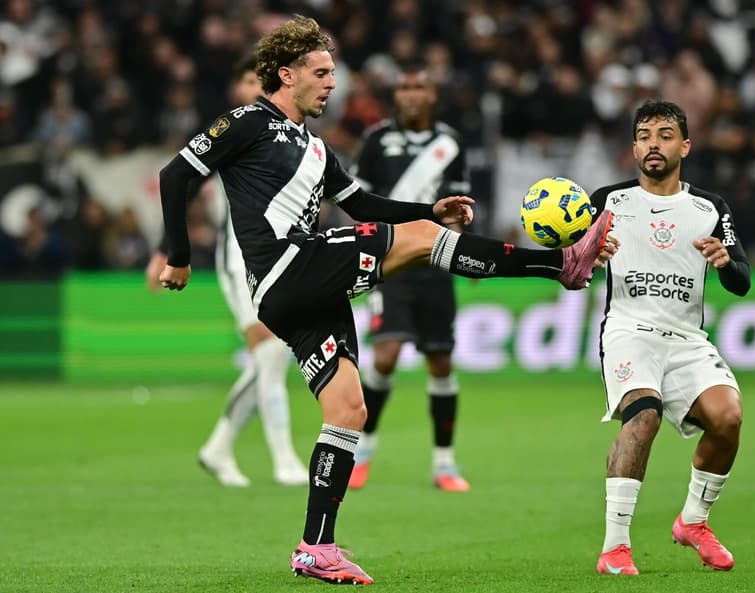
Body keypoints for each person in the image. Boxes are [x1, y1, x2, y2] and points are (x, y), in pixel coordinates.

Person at [157, 16, 618, 585]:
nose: (333, 84)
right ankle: (560, 264)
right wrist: (179, 256)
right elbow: (175, 174)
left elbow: (365, 206)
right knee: (425, 250)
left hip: (302, 292)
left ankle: (315, 547)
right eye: (322, 73)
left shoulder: (318, 151)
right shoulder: (250, 120)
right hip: (286, 269)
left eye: (334, 74)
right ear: (286, 74)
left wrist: (428, 212)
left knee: (348, 408)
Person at [589, 100, 750, 576]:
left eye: (664, 134)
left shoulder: (709, 208)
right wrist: (588, 255)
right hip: (629, 331)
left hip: (686, 338)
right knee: (643, 415)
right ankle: (614, 548)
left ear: (685, 145)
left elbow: (741, 280)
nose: (653, 143)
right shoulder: (607, 201)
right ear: (634, 146)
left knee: (729, 417)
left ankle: (693, 523)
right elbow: (569, 263)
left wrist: (725, 260)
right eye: (644, 135)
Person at [146, 55, 309, 488]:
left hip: (281, 252)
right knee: (271, 353)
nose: (253, 86)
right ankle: (284, 459)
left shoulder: (289, 131)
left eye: (260, 79)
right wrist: (166, 250)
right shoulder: (232, 129)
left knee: (272, 358)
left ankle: (219, 447)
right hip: (238, 253)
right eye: (246, 79)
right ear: (235, 88)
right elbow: (184, 185)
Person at [347, 65, 471, 493]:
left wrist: (466, 254)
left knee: (441, 361)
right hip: (391, 262)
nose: (411, 94)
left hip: (436, 264)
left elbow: (459, 207)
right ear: (395, 96)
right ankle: (362, 452)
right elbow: (358, 200)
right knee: (386, 356)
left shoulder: (450, 142)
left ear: (432, 95)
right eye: (404, 87)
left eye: (419, 87)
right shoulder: (377, 140)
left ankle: (444, 464)